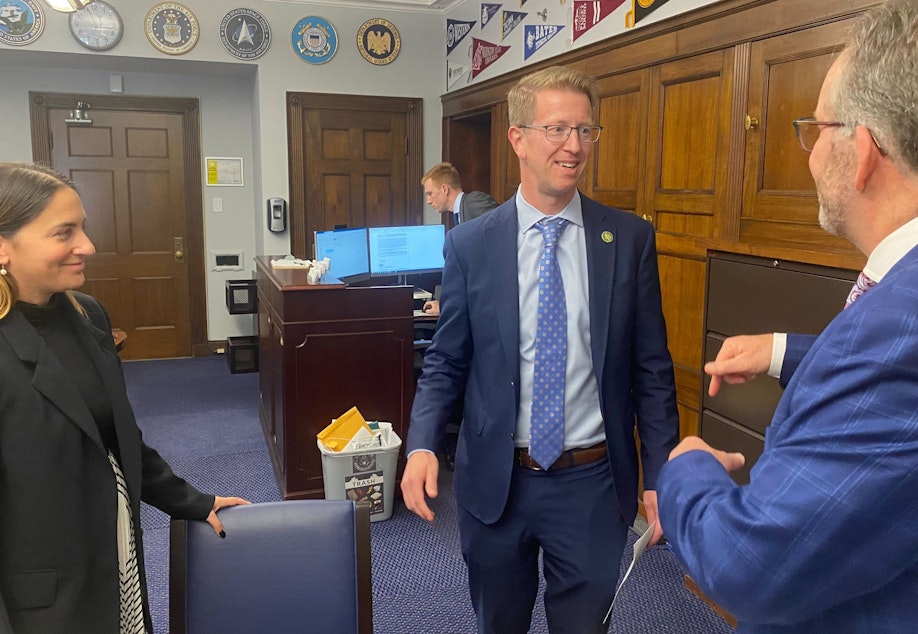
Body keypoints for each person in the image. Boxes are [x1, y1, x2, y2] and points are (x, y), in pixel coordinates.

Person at [657, 1, 918, 630]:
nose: (807, 154)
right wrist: (781, 350)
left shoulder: (893, 328)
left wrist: (687, 465)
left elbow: (747, 565)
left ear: (860, 150)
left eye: (813, 130)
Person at [402, 66, 679, 633]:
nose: (573, 146)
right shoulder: (471, 244)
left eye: (585, 130)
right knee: (499, 623)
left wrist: (661, 477)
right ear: (518, 138)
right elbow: (447, 359)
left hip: (593, 484)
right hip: (497, 483)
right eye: (556, 129)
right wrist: (423, 444)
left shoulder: (628, 239)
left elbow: (652, 370)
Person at [0, 162, 250, 633]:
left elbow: (115, 435)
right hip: (41, 602)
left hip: (116, 557)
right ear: (2, 247)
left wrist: (190, 500)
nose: (88, 246)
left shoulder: (88, 315)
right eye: (64, 232)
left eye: (84, 228)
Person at [421, 163, 500, 316]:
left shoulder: (474, 202)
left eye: (430, 193)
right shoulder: (459, 214)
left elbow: (503, 239)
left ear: (444, 189)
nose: (428, 201)